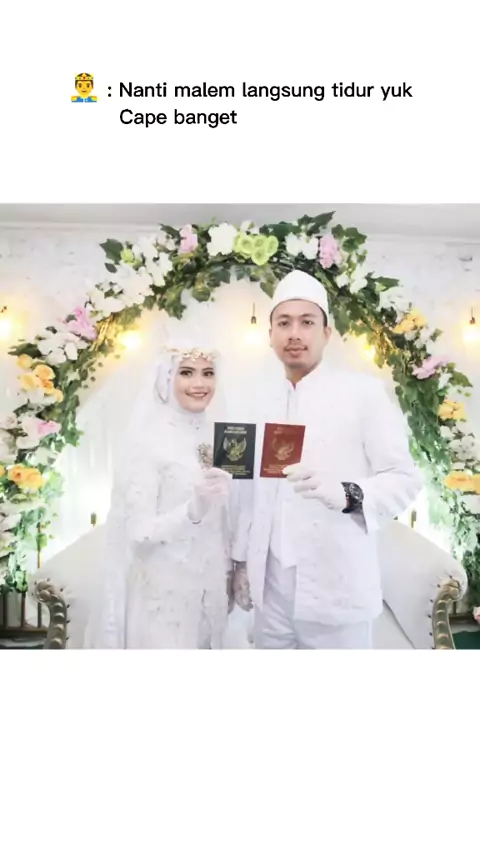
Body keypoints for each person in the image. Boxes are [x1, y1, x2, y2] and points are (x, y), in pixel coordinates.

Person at [231, 269, 423, 649]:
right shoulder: (259, 400)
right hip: (270, 591)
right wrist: (239, 562)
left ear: (327, 333)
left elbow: (404, 478)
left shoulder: (363, 394)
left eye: (307, 322)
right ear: (270, 335)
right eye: (284, 323)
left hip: (337, 587)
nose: (294, 333)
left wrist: (349, 493)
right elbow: (248, 493)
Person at [84, 338, 233, 649]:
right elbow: (138, 533)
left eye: (208, 373)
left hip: (210, 593)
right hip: (164, 596)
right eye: (187, 372)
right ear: (166, 378)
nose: (199, 383)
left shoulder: (221, 437)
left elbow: (225, 518)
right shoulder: (149, 442)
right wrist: (191, 510)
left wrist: (236, 569)